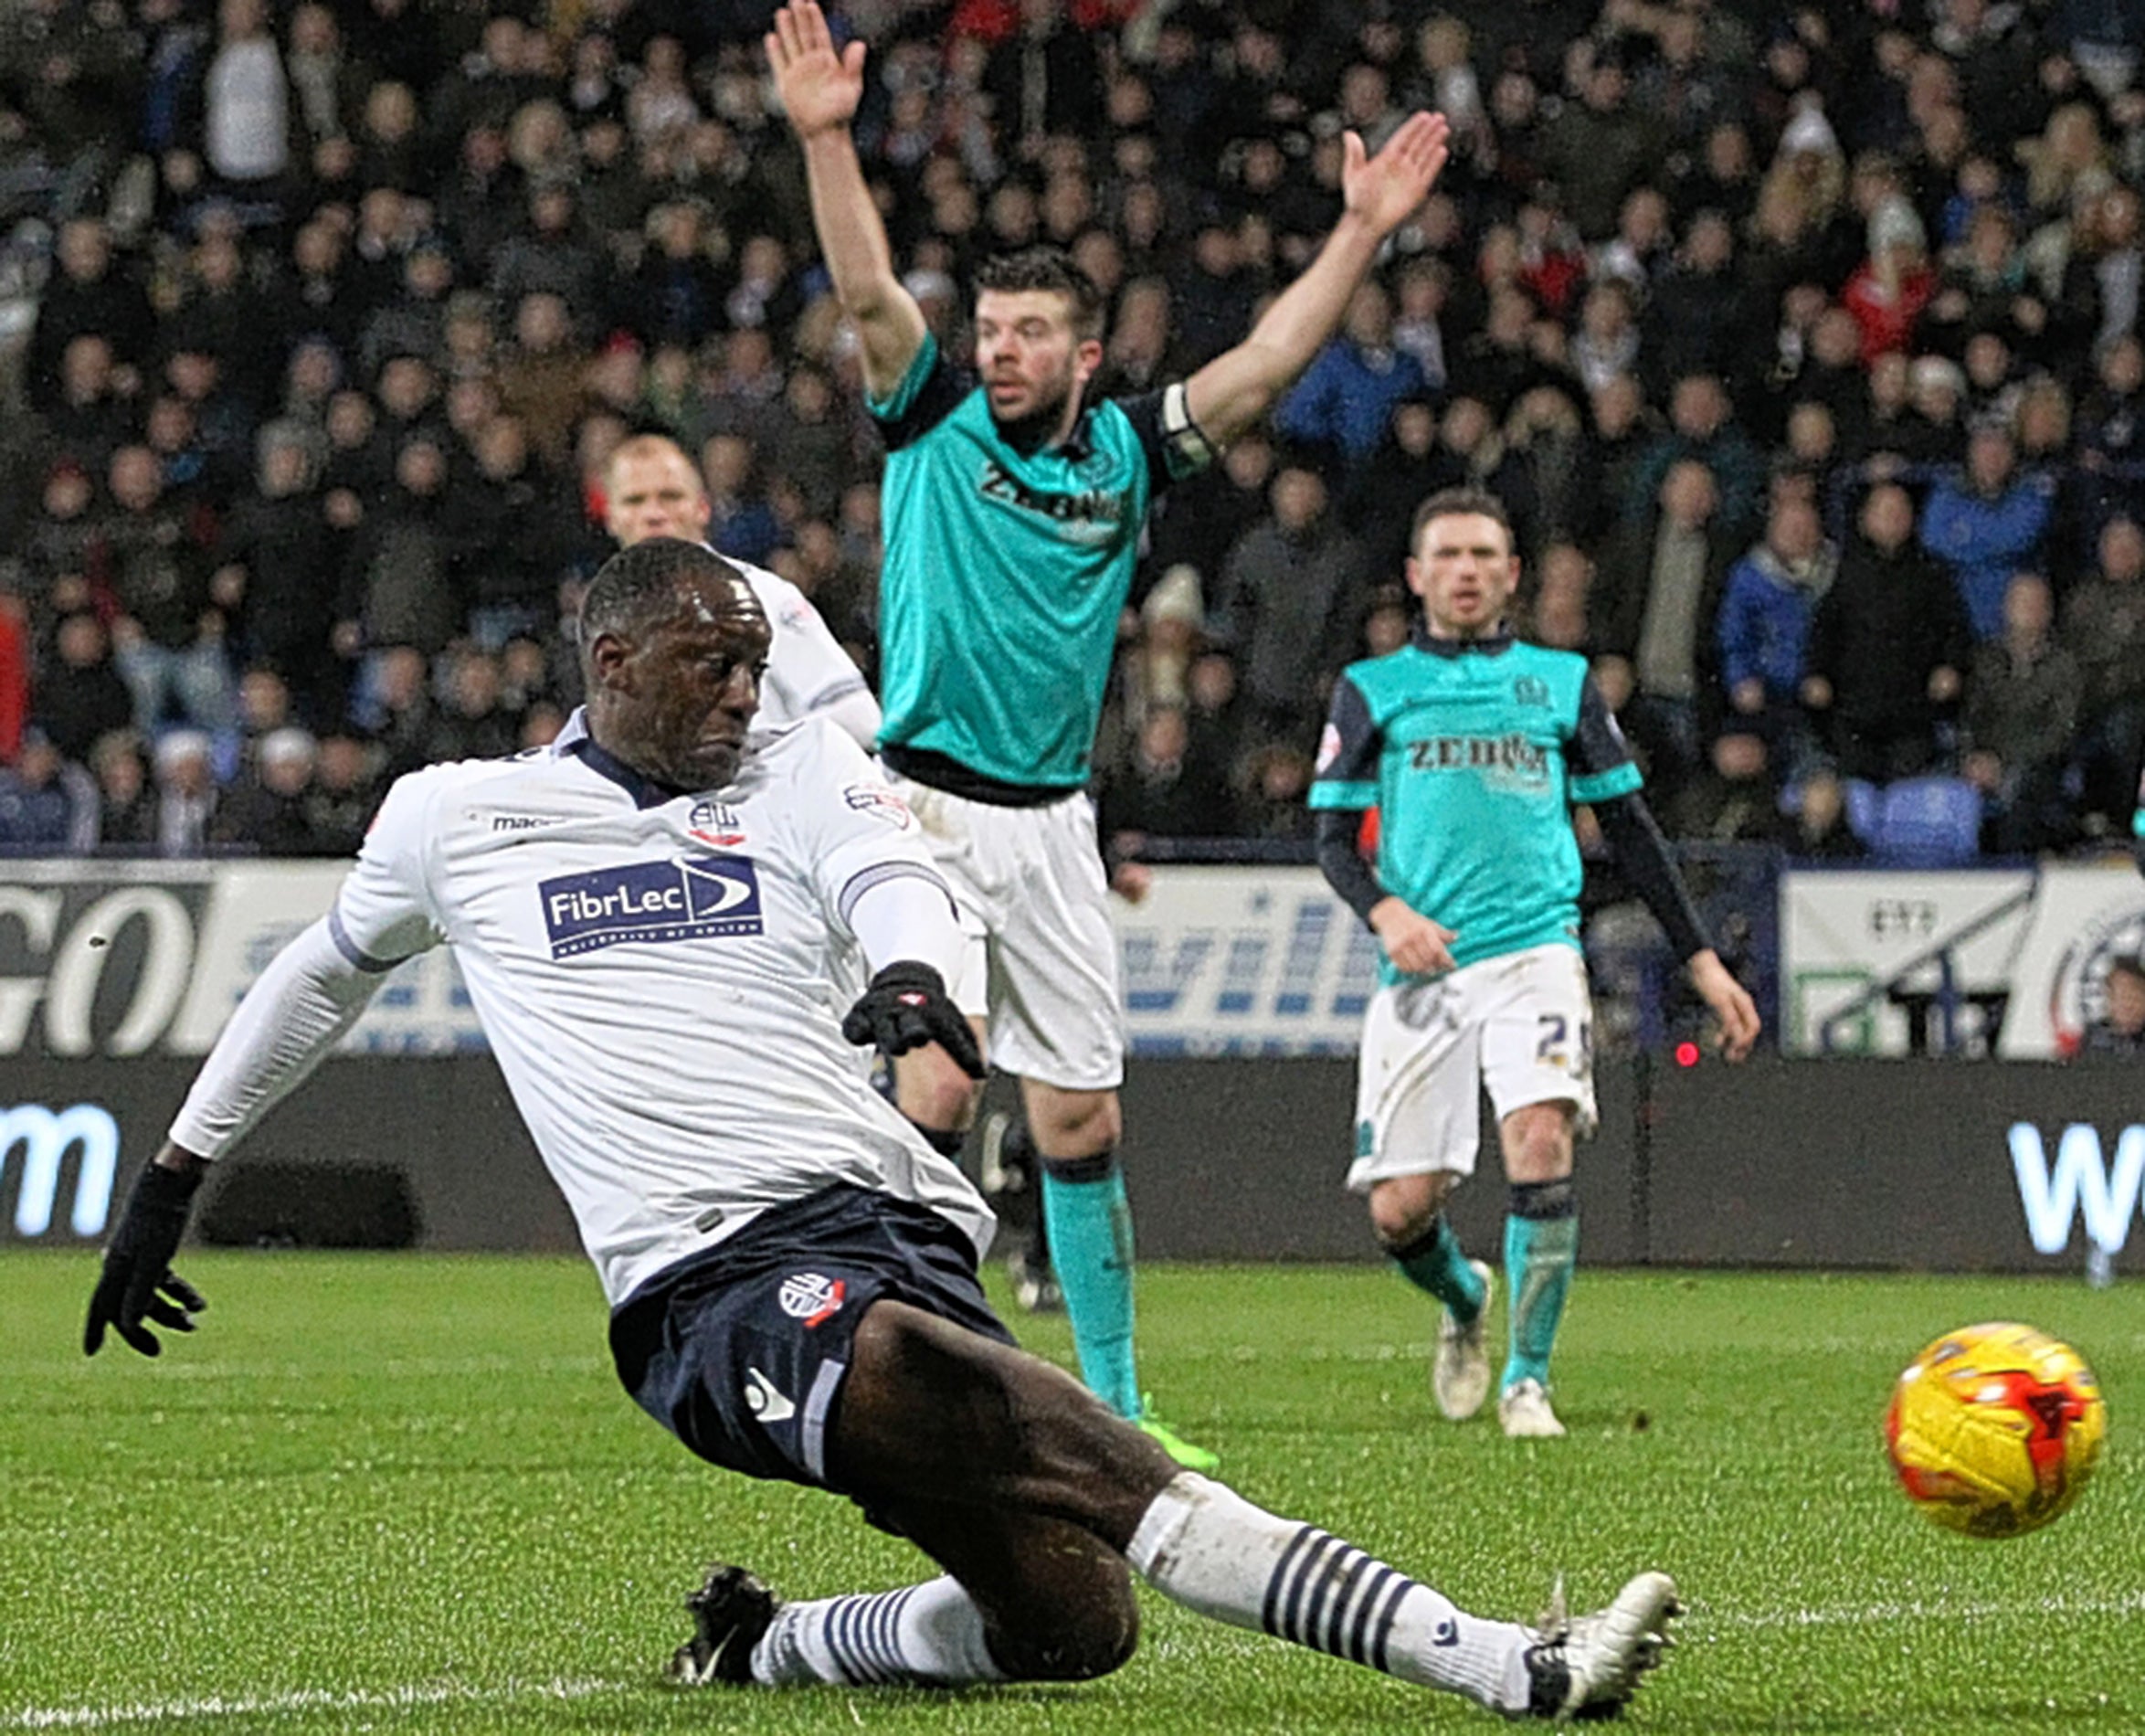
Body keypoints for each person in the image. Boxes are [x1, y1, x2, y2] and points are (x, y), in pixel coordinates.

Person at [83, 539, 1679, 1723]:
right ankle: (1495, 1663)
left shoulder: (790, 768)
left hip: (893, 1229)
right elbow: (315, 977)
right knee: (1036, 1423)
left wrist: (913, 972)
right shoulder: (456, 818)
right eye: (711, 663)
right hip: (713, 1286)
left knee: (1075, 1623)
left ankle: (762, 1642)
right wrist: (172, 1176)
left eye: (754, 662)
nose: (742, 689)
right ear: (612, 661)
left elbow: (885, 878)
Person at [766, 0, 1451, 1462]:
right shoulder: (933, 417)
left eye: (1028, 335)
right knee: (933, 1086)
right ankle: (903, 1375)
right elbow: (872, 287)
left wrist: (1361, 232)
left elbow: (1265, 365)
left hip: (1053, 825)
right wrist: (829, 141)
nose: (998, 351)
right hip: (922, 811)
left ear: (1086, 357)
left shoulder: (1126, 452)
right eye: (991, 330)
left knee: (1079, 1130)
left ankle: (1121, 1412)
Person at [1311, 487, 1760, 1439]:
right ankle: (1464, 1295)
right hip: (1423, 971)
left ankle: (1526, 1379)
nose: (1466, 570)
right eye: (1448, 555)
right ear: (1416, 575)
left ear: (1510, 574)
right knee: (1398, 1212)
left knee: (1541, 1145)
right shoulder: (1371, 689)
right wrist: (1384, 910)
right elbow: (1328, 839)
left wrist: (1701, 961)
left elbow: (1631, 831)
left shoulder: (1559, 684)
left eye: (1484, 553)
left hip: (1534, 952)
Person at [598, 431, 879, 750]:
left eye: (671, 497)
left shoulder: (760, 597)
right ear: (610, 517)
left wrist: (746, 755)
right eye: (634, 501)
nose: (654, 514)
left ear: (702, 508)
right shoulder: (602, 619)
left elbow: (857, 719)